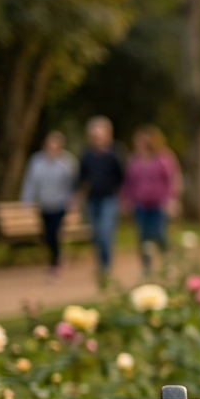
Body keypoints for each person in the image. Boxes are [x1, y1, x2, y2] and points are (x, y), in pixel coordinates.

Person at [121, 126, 180, 274]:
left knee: (159, 234)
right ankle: (146, 269)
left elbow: (172, 180)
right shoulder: (134, 159)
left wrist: (172, 200)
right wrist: (125, 199)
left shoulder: (163, 158)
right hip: (140, 203)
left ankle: (168, 262)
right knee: (143, 237)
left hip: (158, 203)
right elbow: (128, 182)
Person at [20, 131, 77, 278]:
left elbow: (73, 183)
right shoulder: (36, 161)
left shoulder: (67, 162)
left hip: (60, 204)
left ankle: (55, 263)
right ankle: (57, 258)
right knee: (47, 235)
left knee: (54, 233)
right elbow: (30, 182)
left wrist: (72, 200)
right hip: (44, 205)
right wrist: (26, 200)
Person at [76, 116, 124, 282]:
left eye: (99, 134)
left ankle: (106, 266)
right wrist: (77, 198)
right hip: (92, 199)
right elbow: (82, 179)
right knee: (95, 234)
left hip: (109, 199)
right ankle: (101, 264)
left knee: (105, 231)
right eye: (93, 134)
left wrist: (123, 198)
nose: (96, 138)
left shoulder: (114, 154)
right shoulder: (87, 155)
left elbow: (121, 178)